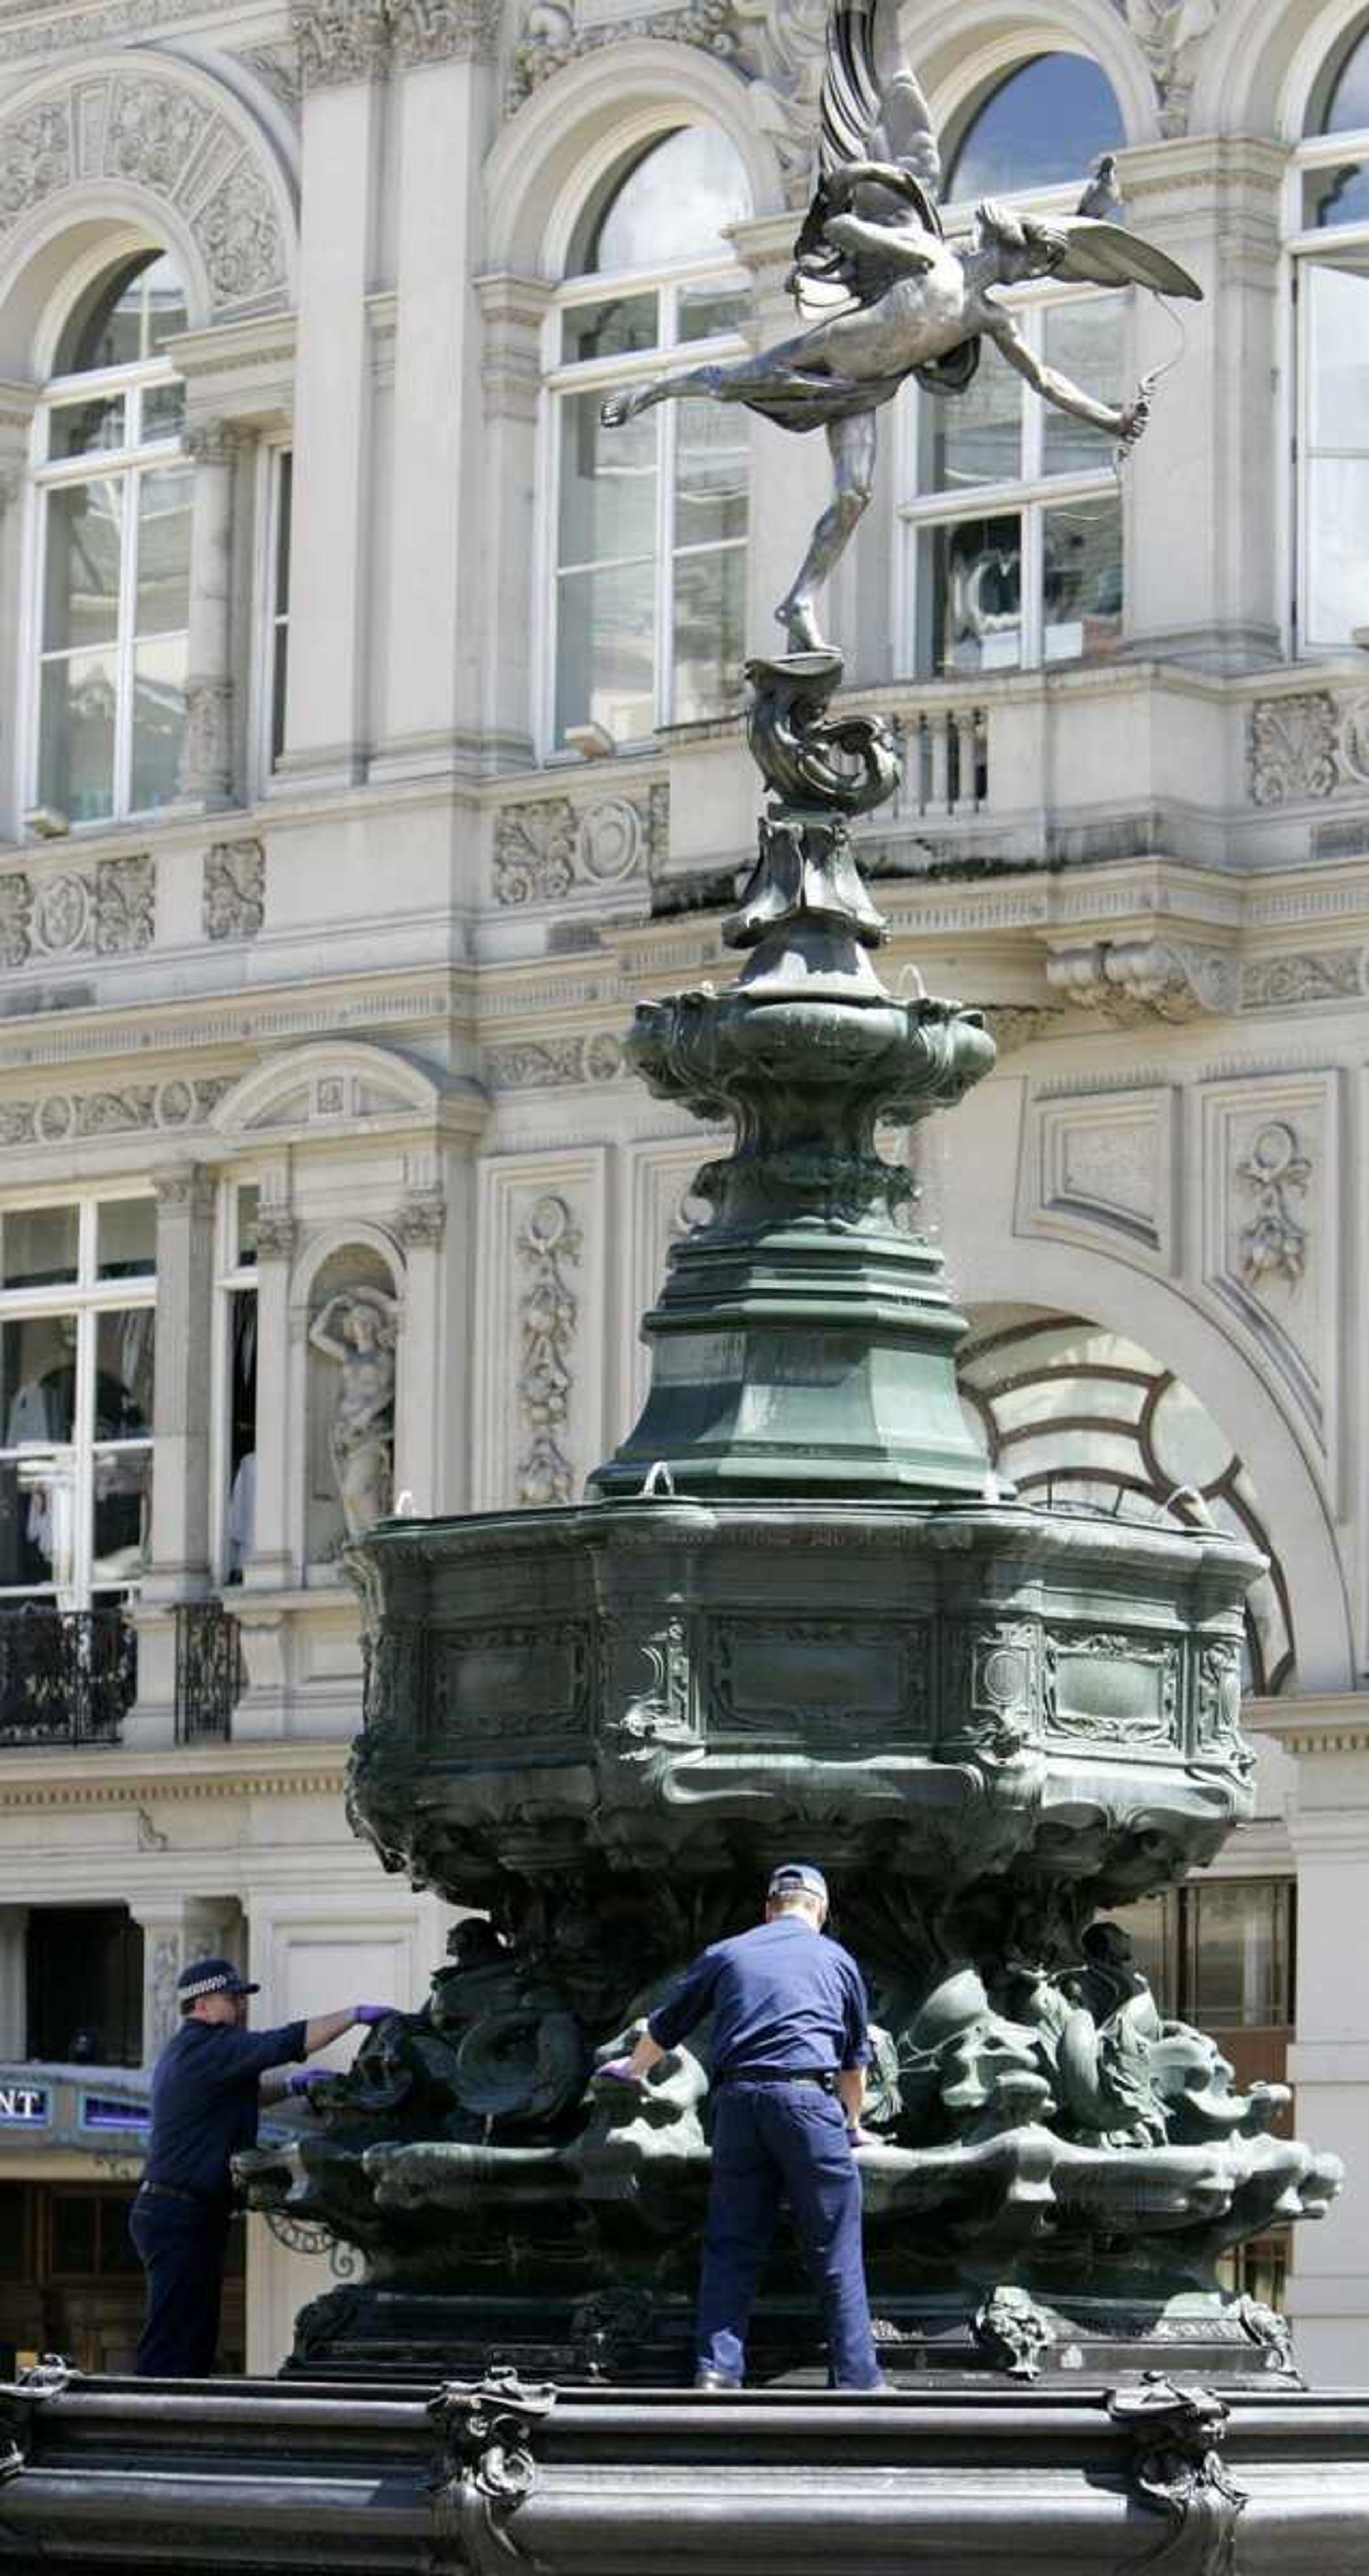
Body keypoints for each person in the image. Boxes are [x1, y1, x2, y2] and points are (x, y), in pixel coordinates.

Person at [600, 0, 1199, 651]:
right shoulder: (930, 257)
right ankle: (649, 393)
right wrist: (860, 192)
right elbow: (840, 225)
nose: (1037, 274)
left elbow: (1047, 382)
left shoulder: (985, 314)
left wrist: (1111, 421)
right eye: (1038, 260)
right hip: (826, 352)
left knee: (853, 496)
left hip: (860, 390)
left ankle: (799, 604)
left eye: (1044, 265)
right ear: (1011, 245)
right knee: (728, 382)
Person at [599, 1862, 884, 2392]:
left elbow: (668, 2022)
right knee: (834, 2242)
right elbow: (854, 2062)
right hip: (807, 2100)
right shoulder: (838, 1959)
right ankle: (856, 2376)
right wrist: (852, 2123)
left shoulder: (728, 1951)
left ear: (769, 1907)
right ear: (819, 1909)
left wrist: (630, 2069)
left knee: (732, 2240)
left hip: (738, 2103)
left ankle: (717, 2369)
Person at [129, 1957, 389, 2378]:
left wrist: (291, 2085)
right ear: (204, 2003)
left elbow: (237, 2095)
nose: (242, 2006)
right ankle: (147, 2428)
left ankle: (176, 2421)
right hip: (179, 2214)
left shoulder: (196, 2052)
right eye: (233, 1998)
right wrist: (354, 2014)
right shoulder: (210, 2044)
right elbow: (286, 2041)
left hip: (183, 2213)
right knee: (174, 2339)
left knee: (192, 2335)